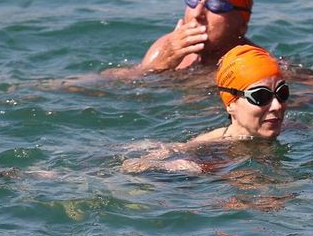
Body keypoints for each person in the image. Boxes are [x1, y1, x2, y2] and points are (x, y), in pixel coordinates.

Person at [120, 44, 289, 172]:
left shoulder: (292, 129)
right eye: (261, 96)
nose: (277, 105)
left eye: (282, 93)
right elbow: (134, 167)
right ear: (230, 104)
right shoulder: (209, 150)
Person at [108, 0, 255, 78]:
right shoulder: (166, 47)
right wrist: (161, 64)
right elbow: (112, 85)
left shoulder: (251, 67)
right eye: (193, 0)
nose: (197, 13)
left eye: (215, 5)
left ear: (242, 26)